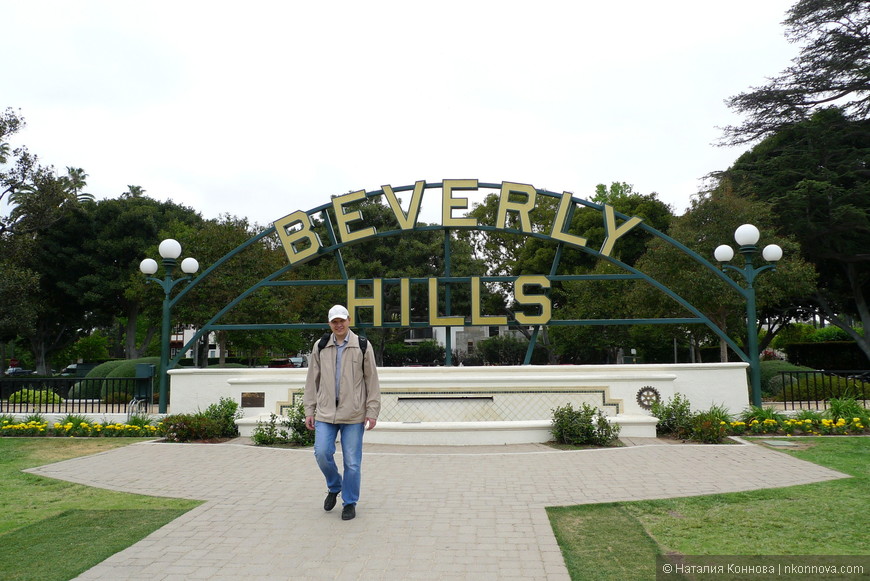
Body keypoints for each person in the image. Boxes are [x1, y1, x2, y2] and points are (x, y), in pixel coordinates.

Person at [304, 305, 380, 521]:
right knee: (321, 453)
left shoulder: (363, 346)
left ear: (348, 320)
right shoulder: (320, 346)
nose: (338, 325)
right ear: (329, 324)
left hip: (354, 414)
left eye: (342, 321)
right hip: (325, 413)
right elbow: (312, 381)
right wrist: (309, 409)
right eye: (334, 322)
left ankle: (349, 502)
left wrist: (372, 411)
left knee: (352, 462)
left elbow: (371, 380)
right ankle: (335, 485)